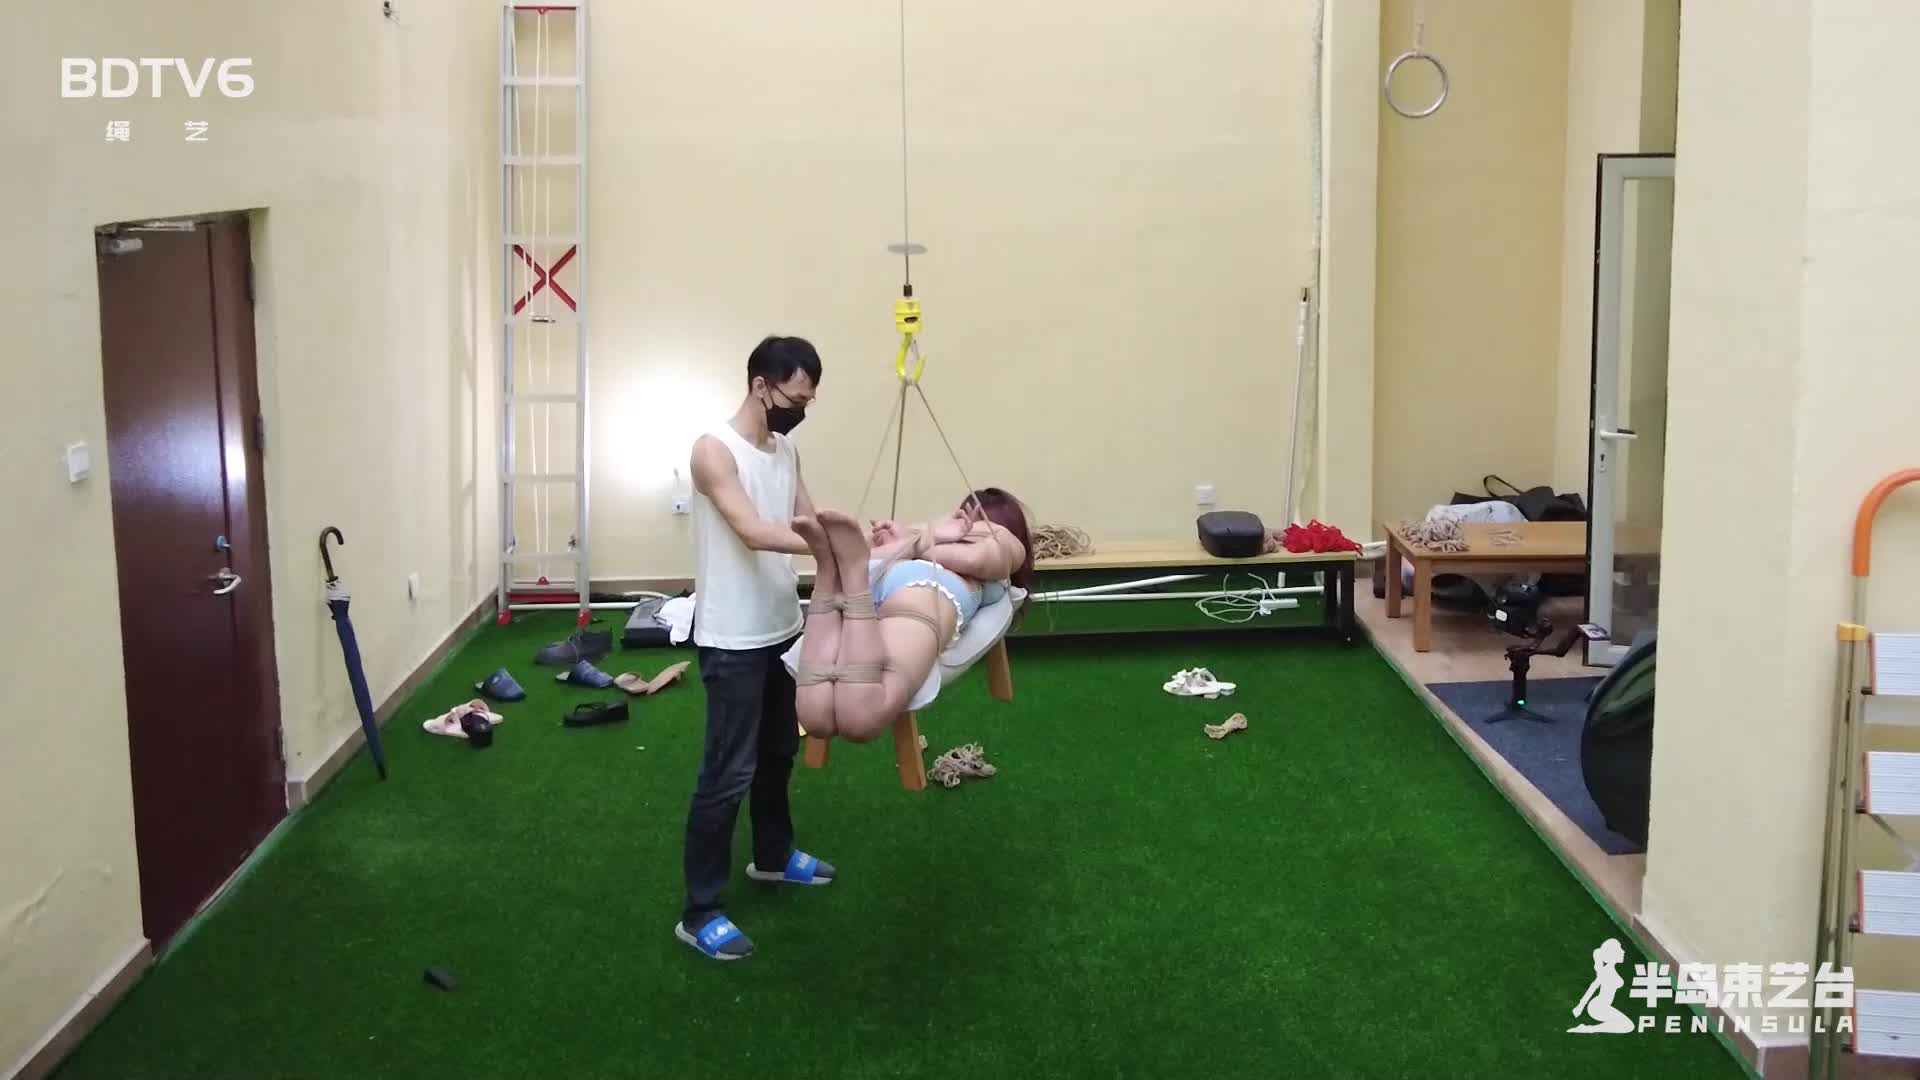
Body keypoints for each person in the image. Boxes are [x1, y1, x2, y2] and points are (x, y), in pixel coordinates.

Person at [676, 334, 836, 962]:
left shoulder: (787, 449)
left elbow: (807, 521)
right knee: (727, 775)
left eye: (809, 402)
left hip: (781, 627)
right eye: (795, 399)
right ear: (761, 387)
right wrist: (832, 545)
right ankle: (700, 912)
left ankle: (772, 857)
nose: (801, 411)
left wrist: (855, 535)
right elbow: (752, 530)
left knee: (777, 755)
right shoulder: (713, 450)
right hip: (732, 638)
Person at [792, 487, 1034, 742]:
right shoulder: (1001, 539)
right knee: (861, 719)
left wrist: (917, 541)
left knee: (816, 718)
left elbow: (974, 560)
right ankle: (849, 575)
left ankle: (830, 572)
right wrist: (923, 541)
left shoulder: (934, 535)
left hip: (882, 585)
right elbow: (977, 561)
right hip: (927, 593)